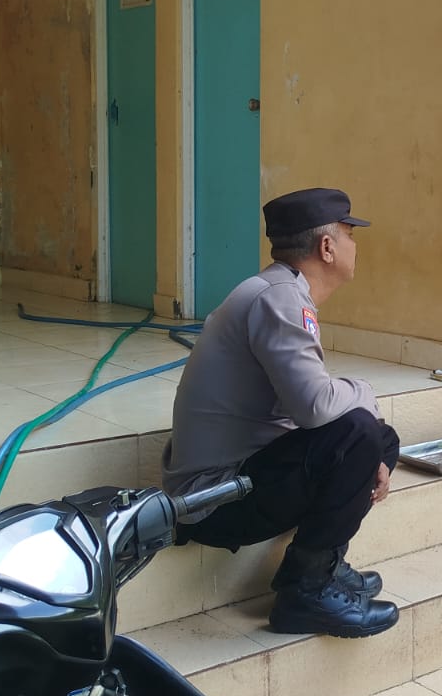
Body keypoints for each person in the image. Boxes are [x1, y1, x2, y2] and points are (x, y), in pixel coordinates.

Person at [162, 187, 399, 637]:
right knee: (358, 431)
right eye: (350, 234)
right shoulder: (279, 298)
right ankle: (305, 591)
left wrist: (372, 445)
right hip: (214, 500)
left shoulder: (281, 291)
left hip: (242, 474)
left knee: (379, 438)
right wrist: (364, 392)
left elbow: (308, 405)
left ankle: (325, 563)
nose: (355, 245)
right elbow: (314, 407)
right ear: (327, 247)